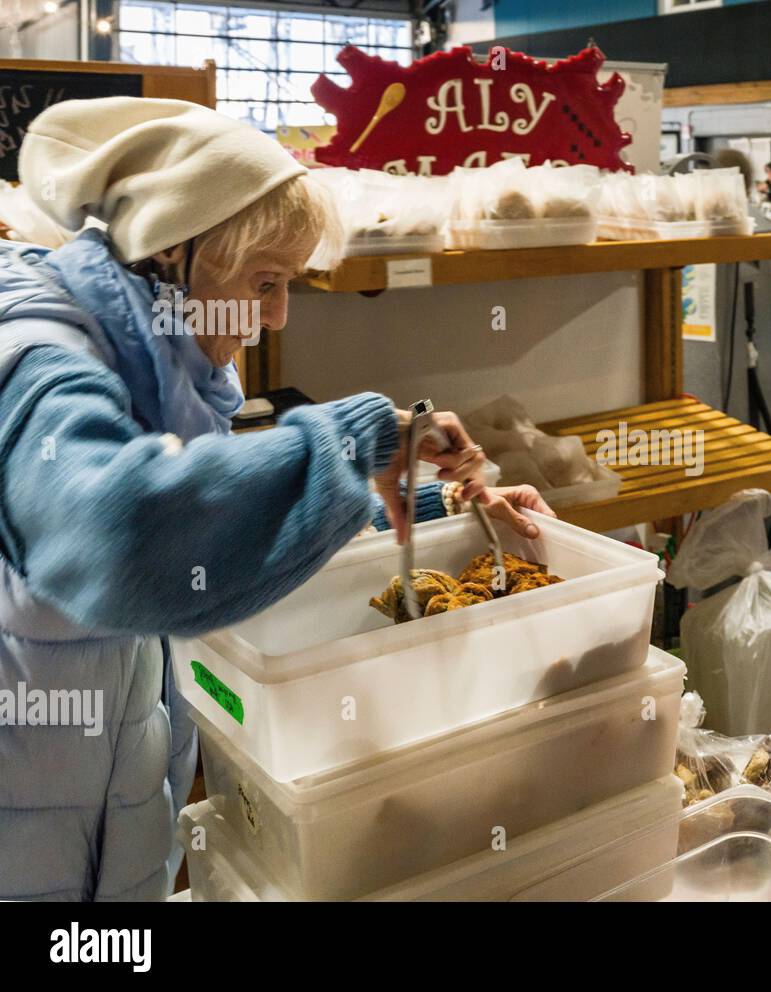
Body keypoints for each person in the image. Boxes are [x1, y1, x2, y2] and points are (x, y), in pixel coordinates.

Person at [0, 97, 553, 901]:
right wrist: (355, 437)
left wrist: (438, 512)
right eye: (265, 284)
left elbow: (220, 521)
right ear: (172, 253)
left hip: (103, 847)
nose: (276, 317)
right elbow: (128, 534)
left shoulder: (158, 368)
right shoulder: (37, 364)